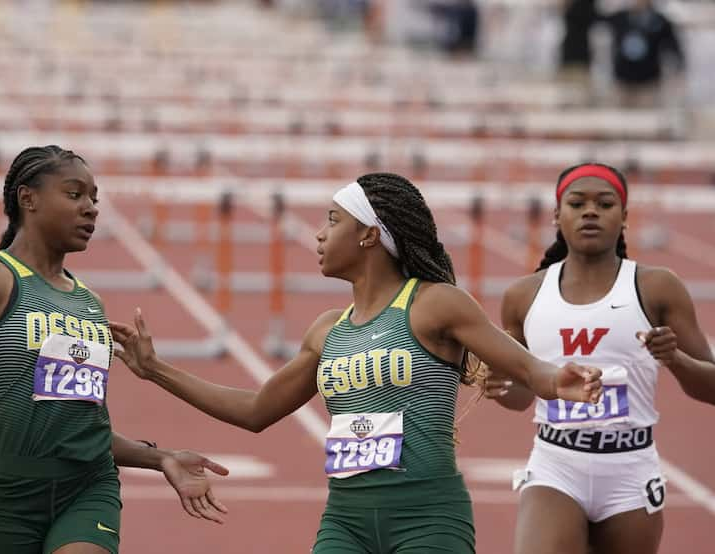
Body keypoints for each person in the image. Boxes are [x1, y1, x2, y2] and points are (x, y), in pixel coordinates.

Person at [110, 172, 603, 553]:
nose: (319, 234)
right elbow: (256, 410)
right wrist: (155, 369)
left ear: (370, 234)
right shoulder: (328, 329)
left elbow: (526, 366)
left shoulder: (434, 304)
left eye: (332, 220)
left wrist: (557, 380)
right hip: (345, 519)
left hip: (427, 516)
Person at [0, 145, 229, 554]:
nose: (91, 209)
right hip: (6, 495)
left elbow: (84, 429)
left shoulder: (90, 304)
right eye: (75, 194)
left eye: (94, 199)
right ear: (27, 198)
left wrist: (162, 458)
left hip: (88, 488)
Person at [485, 162, 715, 554]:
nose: (590, 211)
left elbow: (710, 387)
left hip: (629, 466)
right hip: (556, 461)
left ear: (624, 216)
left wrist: (675, 358)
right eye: (577, 203)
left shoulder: (657, 286)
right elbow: (522, 396)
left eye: (604, 203)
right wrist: (499, 385)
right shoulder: (523, 296)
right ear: (558, 215)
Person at [603, 0, 685, 107]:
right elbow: (596, 20)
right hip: (623, 82)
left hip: (648, 84)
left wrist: (678, 72)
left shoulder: (660, 20)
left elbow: (673, 48)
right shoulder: (619, 17)